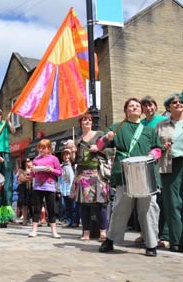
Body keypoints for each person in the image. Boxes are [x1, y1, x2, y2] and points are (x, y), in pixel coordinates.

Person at [98, 98, 163, 257]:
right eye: (131, 106)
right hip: (124, 173)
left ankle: (151, 244)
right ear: (126, 110)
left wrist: (152, 155)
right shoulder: (117, 127)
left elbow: (158, 149)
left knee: (148, 209)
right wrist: (107, 138)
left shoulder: (149, 130)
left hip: (146, 173)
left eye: (137, 106)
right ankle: (111, 239)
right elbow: (99, 146)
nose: (134, 108)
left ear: (140, 110)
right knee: (120, 208)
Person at [69, 113, 110, 241]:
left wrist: (98, 148)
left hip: (97, 173)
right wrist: (72, 152)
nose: (87, 121)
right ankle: (85, 232)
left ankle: (103, 232)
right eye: (84, 120)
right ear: (80, 123)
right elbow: (75, 161)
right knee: (83, 205)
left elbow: (110, 151)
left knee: (100, 204)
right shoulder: (77, 139)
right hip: (82, 174)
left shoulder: (99, 134)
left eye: (90, 120)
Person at [140, 95, 169, 246]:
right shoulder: (141, 123)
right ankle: (146, 233)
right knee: (146, 202)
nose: (148, 108)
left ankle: (163, 235)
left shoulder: (162, 121)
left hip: (161, 163)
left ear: (155, 107)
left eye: (151, 105)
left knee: (161, 200)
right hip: (145, 166)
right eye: (145, 106)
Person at [155, 94, 183, 252]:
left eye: (180, 102)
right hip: (169, 165)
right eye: (174, 102)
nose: (178, 104)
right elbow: (154, 147)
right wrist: (161, 146)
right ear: (168, 107)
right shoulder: (161, 125)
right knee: (172, 204)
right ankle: (176, 241)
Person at [28, 139, 62, 238]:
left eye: (43, 148)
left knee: (51, 209)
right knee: (37, 209)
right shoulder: (35, 160)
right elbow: (32, 175)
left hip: (50, 186)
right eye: (40, 148)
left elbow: (59, 172)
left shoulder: (54, 159)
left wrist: (51, 170)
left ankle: (54, 231)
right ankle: (34, 230)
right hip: (38, 186)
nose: (41, 150)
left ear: (48, 149)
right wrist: (32, 170)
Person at [58, 149, 77, 227]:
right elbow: (59, 179)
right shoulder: (61, 167)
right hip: (64, 189)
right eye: (64, 155)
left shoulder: (73, 166)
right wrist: (59, 190)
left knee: (74, 206)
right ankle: (69, 220)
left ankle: (75, 221)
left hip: (72, 188)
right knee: (66, 206)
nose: (66, 156)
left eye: (68, 154)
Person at [17, 159, 33, 226]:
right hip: (23, 188)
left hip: (32, 187)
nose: (28, 162)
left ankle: (35, 220)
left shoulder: (33, 169)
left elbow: (36, 177)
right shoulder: (21, 170)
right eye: (26, 161)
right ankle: (25, 220)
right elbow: (21, 179)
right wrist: (30, 177)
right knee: (24, 205)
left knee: (33, 204)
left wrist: (27, 177)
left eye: (29, 161)